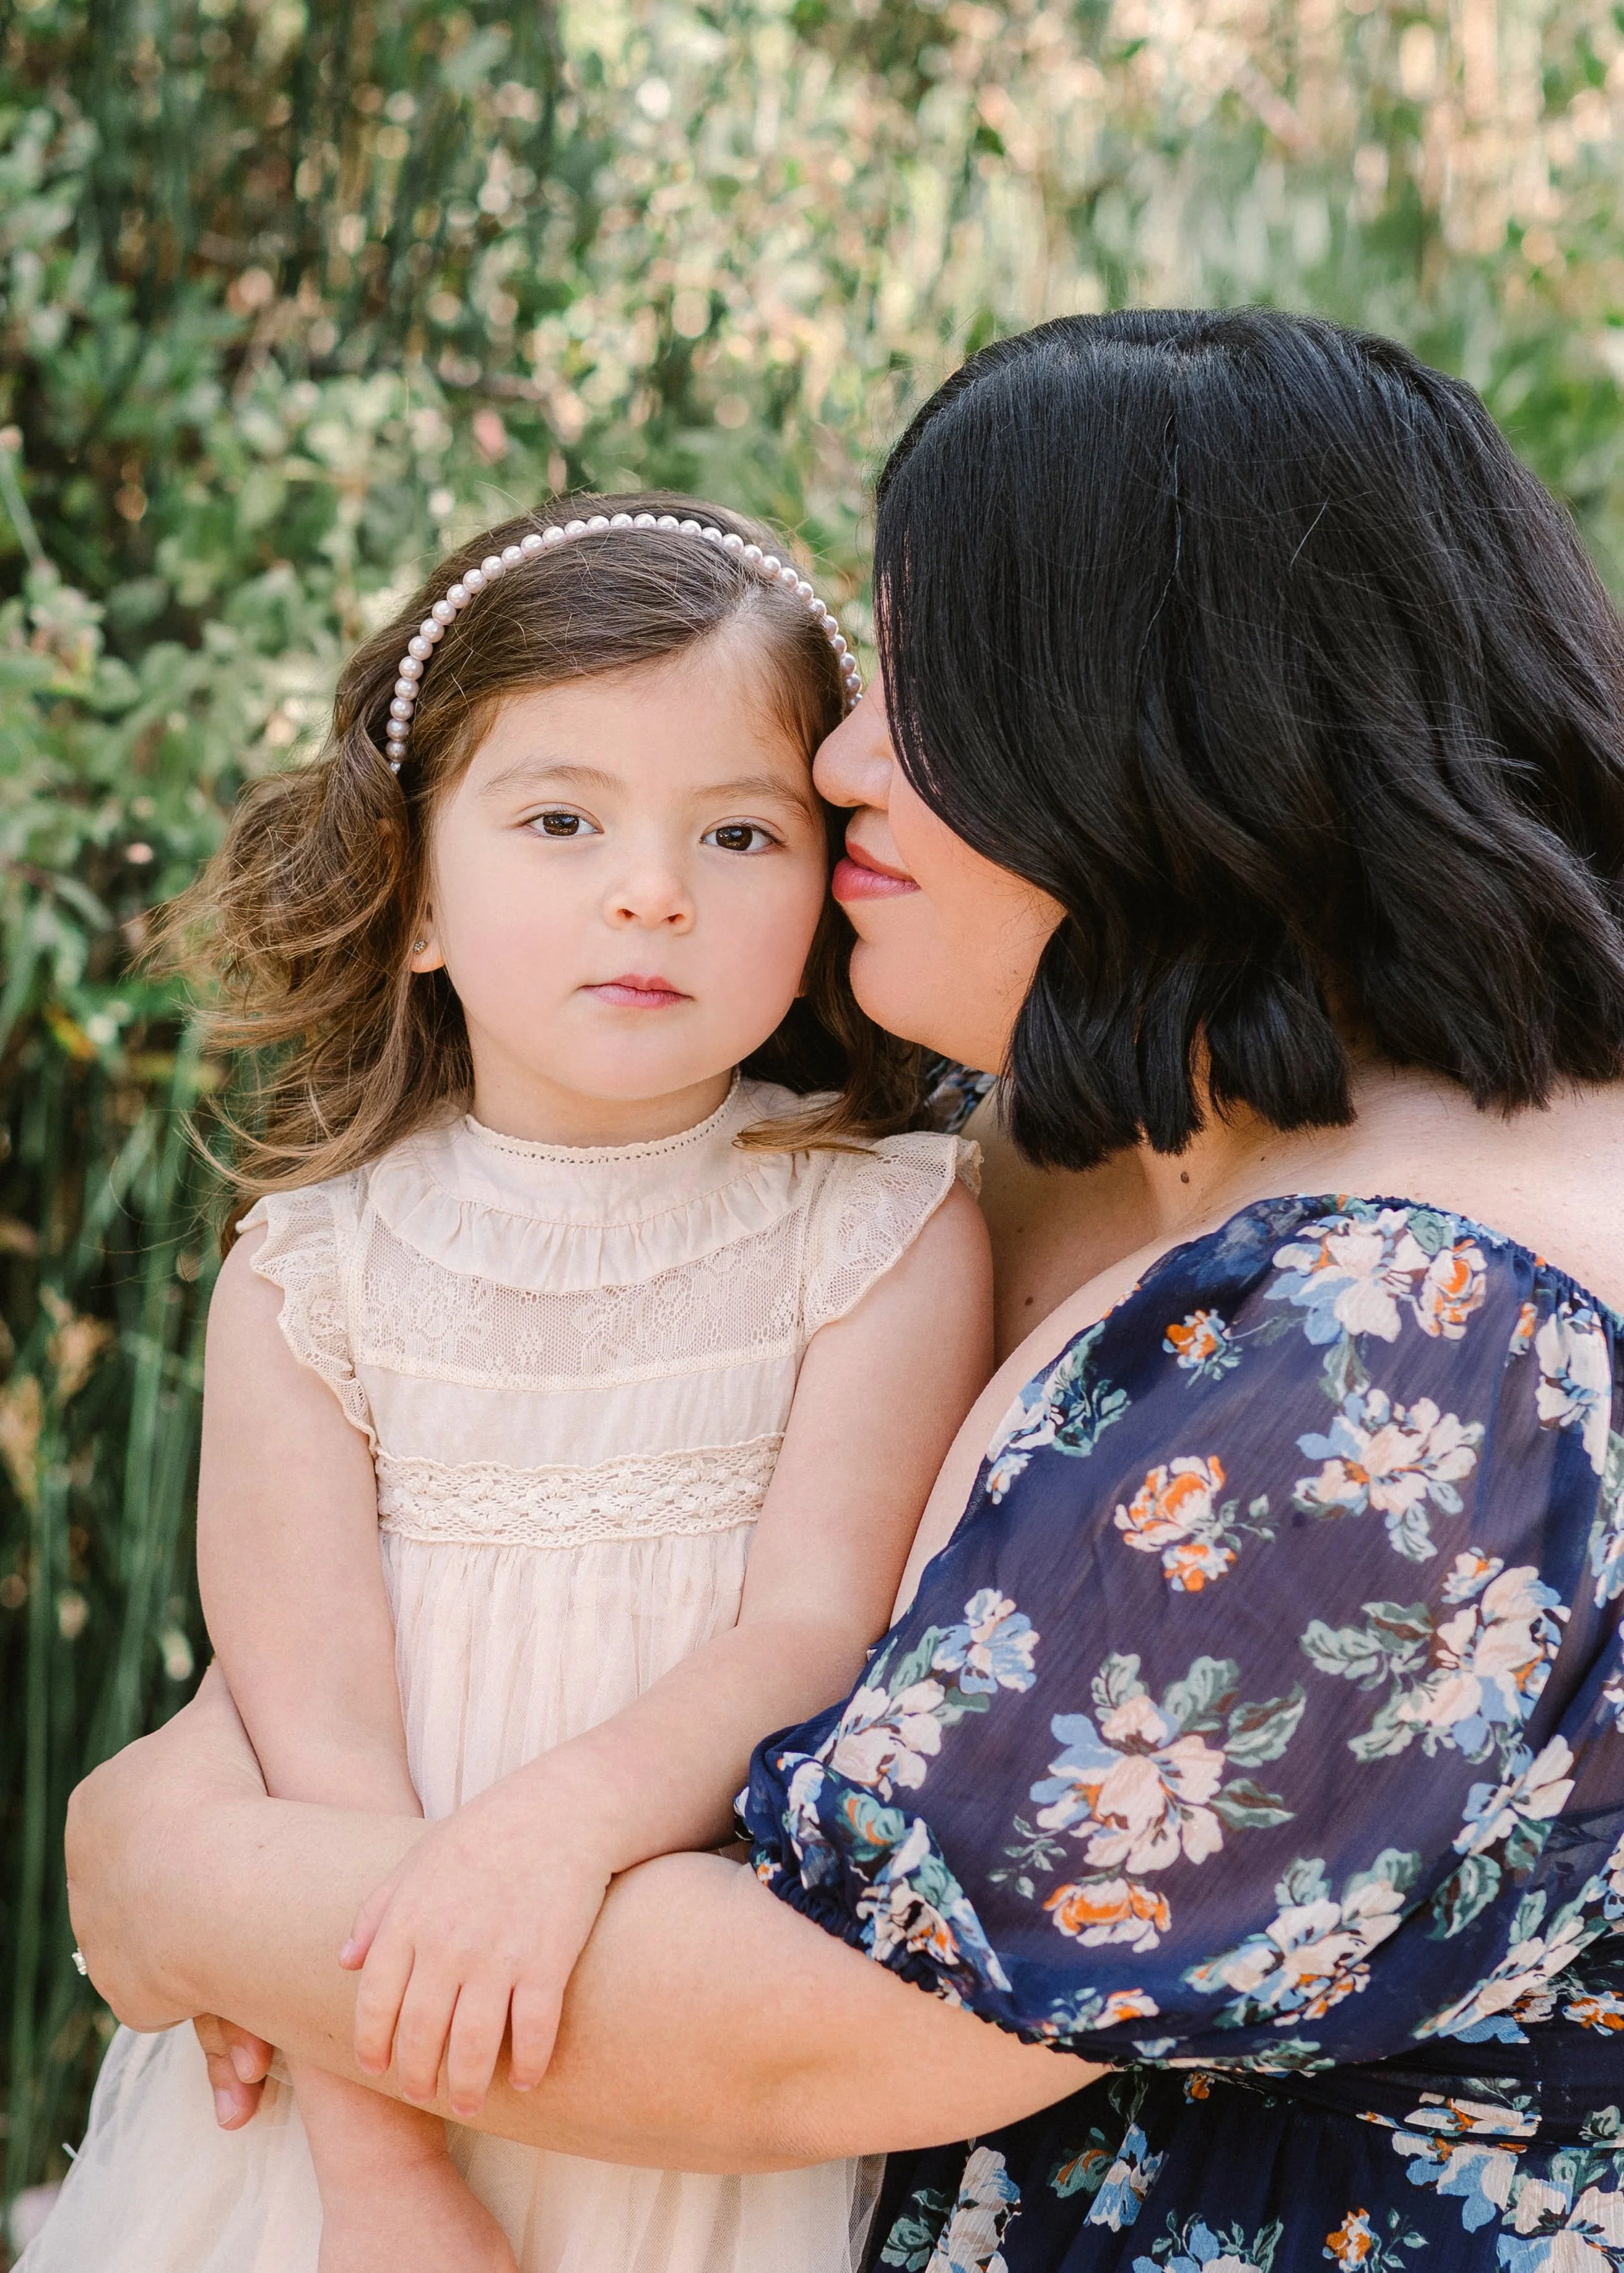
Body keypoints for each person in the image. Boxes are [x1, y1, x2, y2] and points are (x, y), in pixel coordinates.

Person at [63, 309, 1624, 2270]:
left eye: (926, 679)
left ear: (1157, 721)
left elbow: (806, 2031)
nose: (837, 756)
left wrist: (176, 1882)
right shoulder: (1089, 1164)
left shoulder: (1413, 1336)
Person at [21, 497, 991, 2273]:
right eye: (560, 819)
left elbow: (809, 1632)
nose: (653, 889)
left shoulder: (881, 1228)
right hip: (351, 2056)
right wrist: (384, 2174)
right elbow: (310, 1734)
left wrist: (548, 1839)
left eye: (740, 832)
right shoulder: (314, 1270)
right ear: (409, 900)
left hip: (665, 2021)